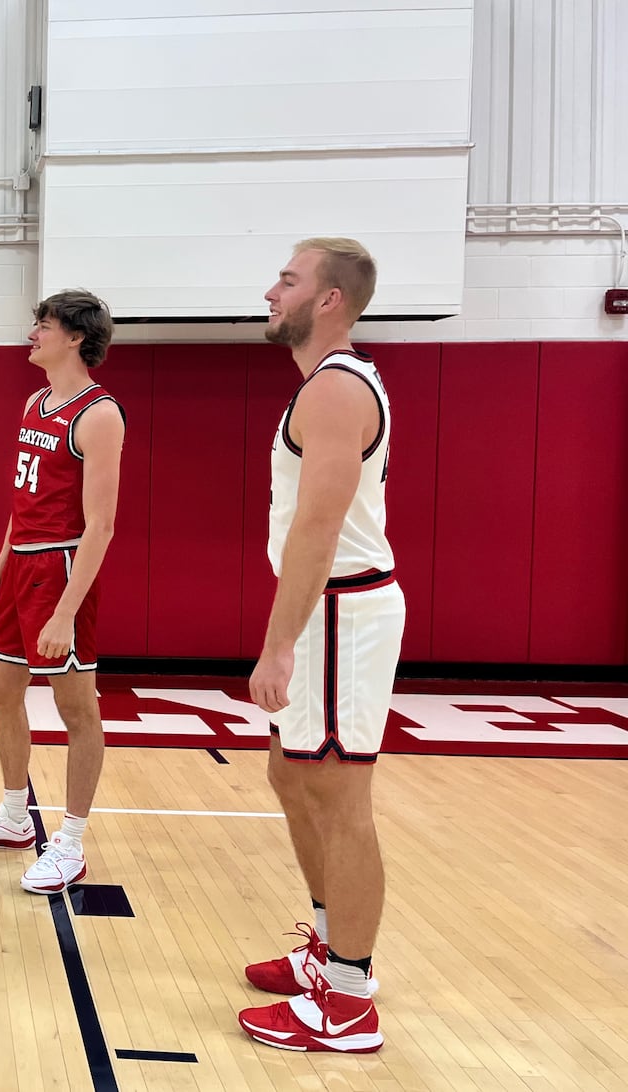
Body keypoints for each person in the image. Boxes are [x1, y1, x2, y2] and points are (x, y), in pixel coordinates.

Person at [238, 238, 403, 1053]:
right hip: (325, 613)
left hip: (340, 614)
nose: (272, 290)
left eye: (289, 279)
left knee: (340, 800)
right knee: (289, 775)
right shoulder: (326, 386)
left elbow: (318, 525)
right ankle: (329, 952)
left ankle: (349, 1000)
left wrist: (279, 646)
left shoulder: (335, 390)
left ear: (329, 299)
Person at [0, 290, 124, 895]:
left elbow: (101, 525)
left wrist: (66, 611)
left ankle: (70, 842)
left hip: (63, 568)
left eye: (42, 326)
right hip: (22, 566)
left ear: (75, 337)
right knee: (1, 691)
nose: (33, 334)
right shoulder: (35, 401)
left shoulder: (99, 415)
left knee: (77, 709)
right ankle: (16, 817)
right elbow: (22, 505)